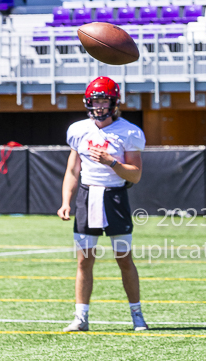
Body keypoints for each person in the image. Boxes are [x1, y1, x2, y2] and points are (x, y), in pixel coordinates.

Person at [57, 76, 149, 332]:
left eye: (104, 100)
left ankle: (137, 314)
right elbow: (72, 171)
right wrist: (66, 201)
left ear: (114, 102)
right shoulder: (79, 130)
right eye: (95, 100)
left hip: (114, 197)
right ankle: (81, 317)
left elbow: (136, 175)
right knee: (84, 260)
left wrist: (112, 162)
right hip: (87, 198)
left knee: (124, 258)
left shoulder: (129, 132)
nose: (99, 106)